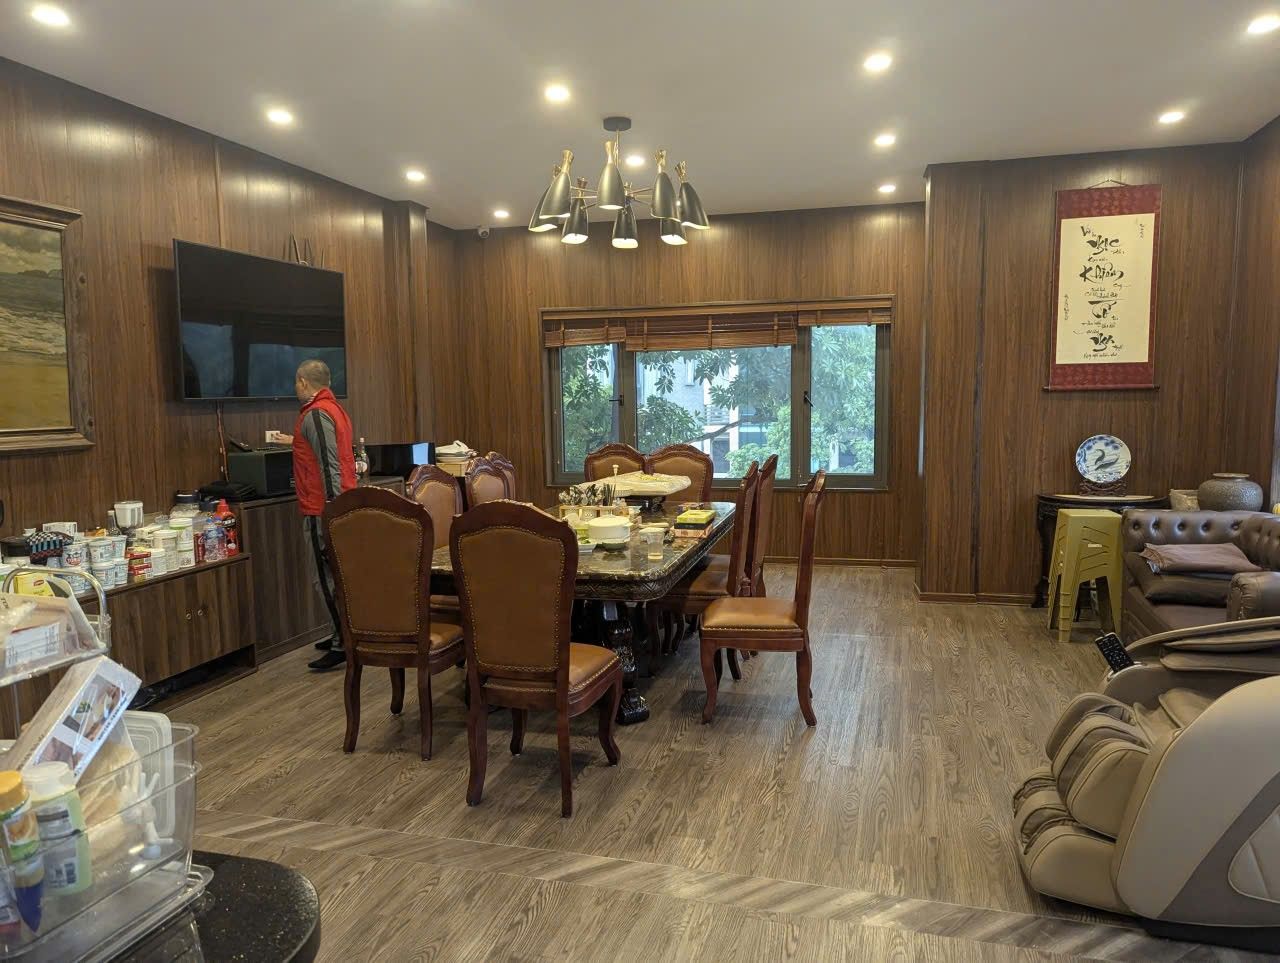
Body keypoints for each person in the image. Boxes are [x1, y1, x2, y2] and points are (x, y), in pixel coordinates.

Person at [275, 360, 357, 671]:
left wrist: (331, 507)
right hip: (336, 505)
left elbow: (327, 462)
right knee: (335, 575)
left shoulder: (316, 414)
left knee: (323, 578)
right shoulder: (335, 410)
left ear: (302, 382)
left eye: (295, 383)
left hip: (321, 508)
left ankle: (342, 642)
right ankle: (340, 632)